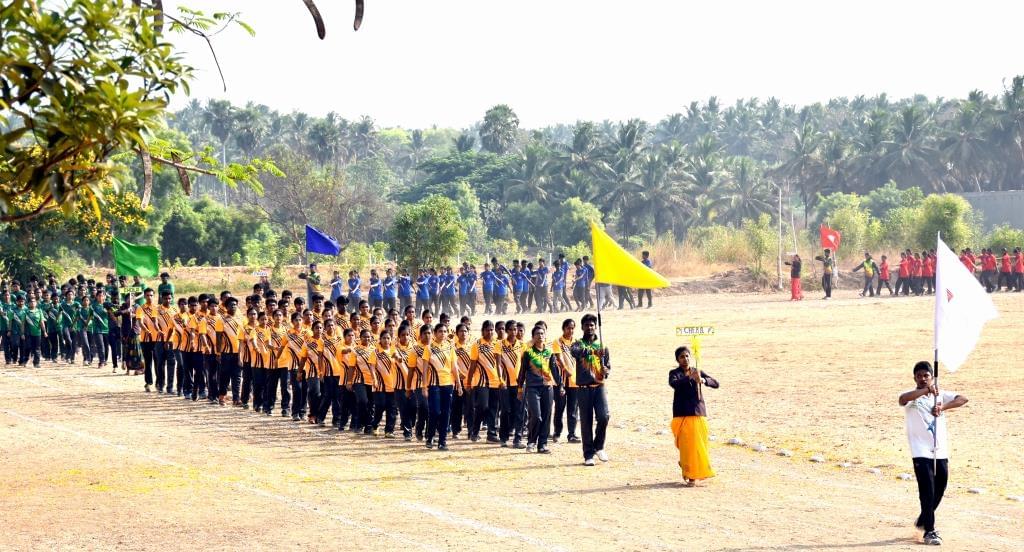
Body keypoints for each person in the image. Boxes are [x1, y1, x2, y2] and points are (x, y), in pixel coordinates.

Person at [898, 361, 968, 546]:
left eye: (926, 375)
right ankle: (929, 531)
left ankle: (923, 518)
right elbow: (902, 399)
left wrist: (942, 407)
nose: (922, 378)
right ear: (914, 377)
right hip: (920, 451)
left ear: (931, 376)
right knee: (927, 490)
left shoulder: (940, 395)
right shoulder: (911, 396)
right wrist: (926, 390)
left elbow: (963, 399)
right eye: (919, 376)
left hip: (939, 449)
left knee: (940, 486)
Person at [668, 346, 718, 486]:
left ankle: (694, 475)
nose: (685, 359)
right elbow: (674, 384)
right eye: (682, 357)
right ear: (677, 359)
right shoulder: (675, 373)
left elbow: (716, 383)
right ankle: (688, 469)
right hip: (682, 413)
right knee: (686, 446)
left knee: (698, 446)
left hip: (697, 412)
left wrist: (703, 380)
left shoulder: (698, 372)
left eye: (687, 356)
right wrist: (690, 377)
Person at [570, 314, 610, 466]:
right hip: (583, 389)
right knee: (586, 421)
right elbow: (576, 352)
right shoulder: (578, 344)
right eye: (587, 325)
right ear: (582, 327)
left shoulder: (602, 346)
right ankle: (588, 454)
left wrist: (606, 370)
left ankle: (598, 446)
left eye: (592, 325)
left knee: (604, 416)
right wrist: (593, 352)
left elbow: (608, 366)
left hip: (599, 387)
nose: (590, 327)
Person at [518, 325, 561, 454]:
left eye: (542, 333)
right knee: (536, 416)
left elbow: (555, 370)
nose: (540, 335)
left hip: (547, 387)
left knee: (547, 416)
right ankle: (531, 441)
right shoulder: (528, 353)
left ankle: (542, 444)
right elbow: (522, 371)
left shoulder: (549, 353)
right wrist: (520, 389)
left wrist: (561, 385)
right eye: (537, 333)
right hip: (532, 388)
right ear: (533, 337)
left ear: (545, 335)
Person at [422, 323, 463, 451]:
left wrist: (459, 385)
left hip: (448, 384)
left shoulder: (450, 347)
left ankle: (442, 441)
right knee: (435, 411)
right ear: (435, 333)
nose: (443, 333)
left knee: (446, 413)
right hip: (434, 385)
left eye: (445, 331)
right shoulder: (428, 348)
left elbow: (454, 367)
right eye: (440, 331)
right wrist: (424, 387)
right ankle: (430, 437)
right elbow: (424, 370)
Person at [551, 318, 580, 443]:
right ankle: (557, 432)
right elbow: (558, 358)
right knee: (559, 408)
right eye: (568, 328)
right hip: (561, 381)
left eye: (573, 328)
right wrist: (565, 369)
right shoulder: (557, 342)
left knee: (573, 409)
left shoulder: (577, 342)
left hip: (574, 381)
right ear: (563, 328)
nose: (571, 330)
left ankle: (572, 434)